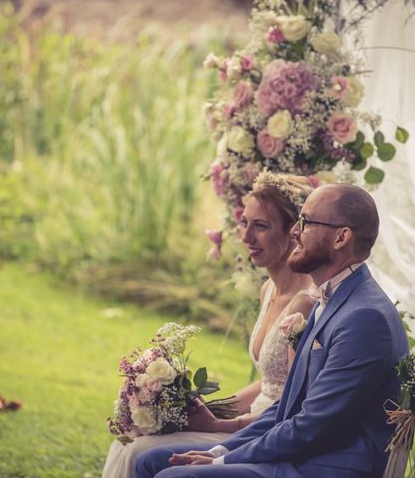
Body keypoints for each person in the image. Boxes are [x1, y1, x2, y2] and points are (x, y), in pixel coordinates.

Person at [134, 183, 410, 478]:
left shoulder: (365, 317)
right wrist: (221, 451)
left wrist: (220, 464)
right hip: (299, 454)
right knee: (149, 461)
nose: (295, 232)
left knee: (171, 476)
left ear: (342, 237)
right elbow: (287, 409)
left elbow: (310, 426)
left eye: (305, 223)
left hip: (321, 466)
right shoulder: (329, 299)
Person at [101, 171, 315, 478]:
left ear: (292, 233)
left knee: (138, 451)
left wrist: (220, 425)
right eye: (245, 223)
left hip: (259, 433)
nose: (246, 237)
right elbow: (269, 381)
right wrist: (210, 407)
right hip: (245, 419)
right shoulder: (267, 290)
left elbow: (292, 405)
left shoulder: (304, 304)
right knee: (129, 442)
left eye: (261, 226)